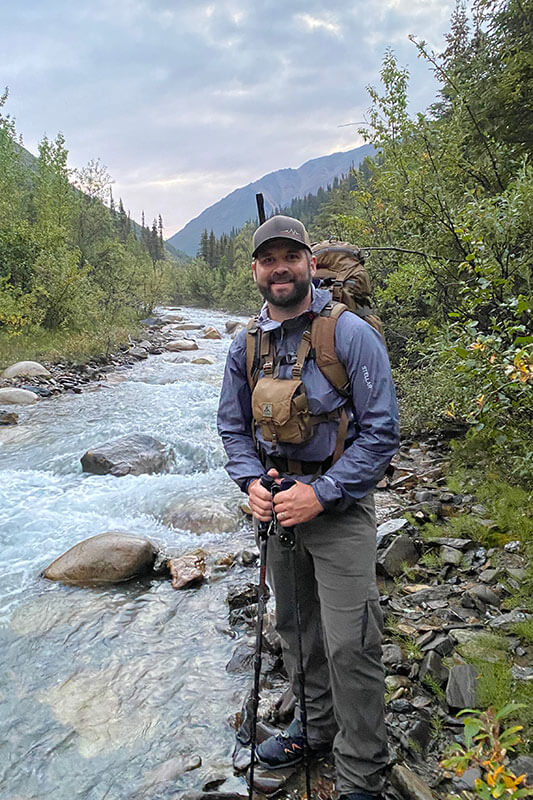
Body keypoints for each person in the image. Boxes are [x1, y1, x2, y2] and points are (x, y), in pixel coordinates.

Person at [217, 215, 399, 800]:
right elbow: (232, 428)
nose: (279, 268)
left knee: (352, 642)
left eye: (289, 256)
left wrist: (320, 493)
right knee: (295, 628)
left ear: (308, 263)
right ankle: (314, 727)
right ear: (254, 270)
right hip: (275, 508)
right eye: (267, 259)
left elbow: (380, 434)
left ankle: (362, 769)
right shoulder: (245, 345)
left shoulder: (348, 334)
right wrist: (250, 482)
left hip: (339, 509)